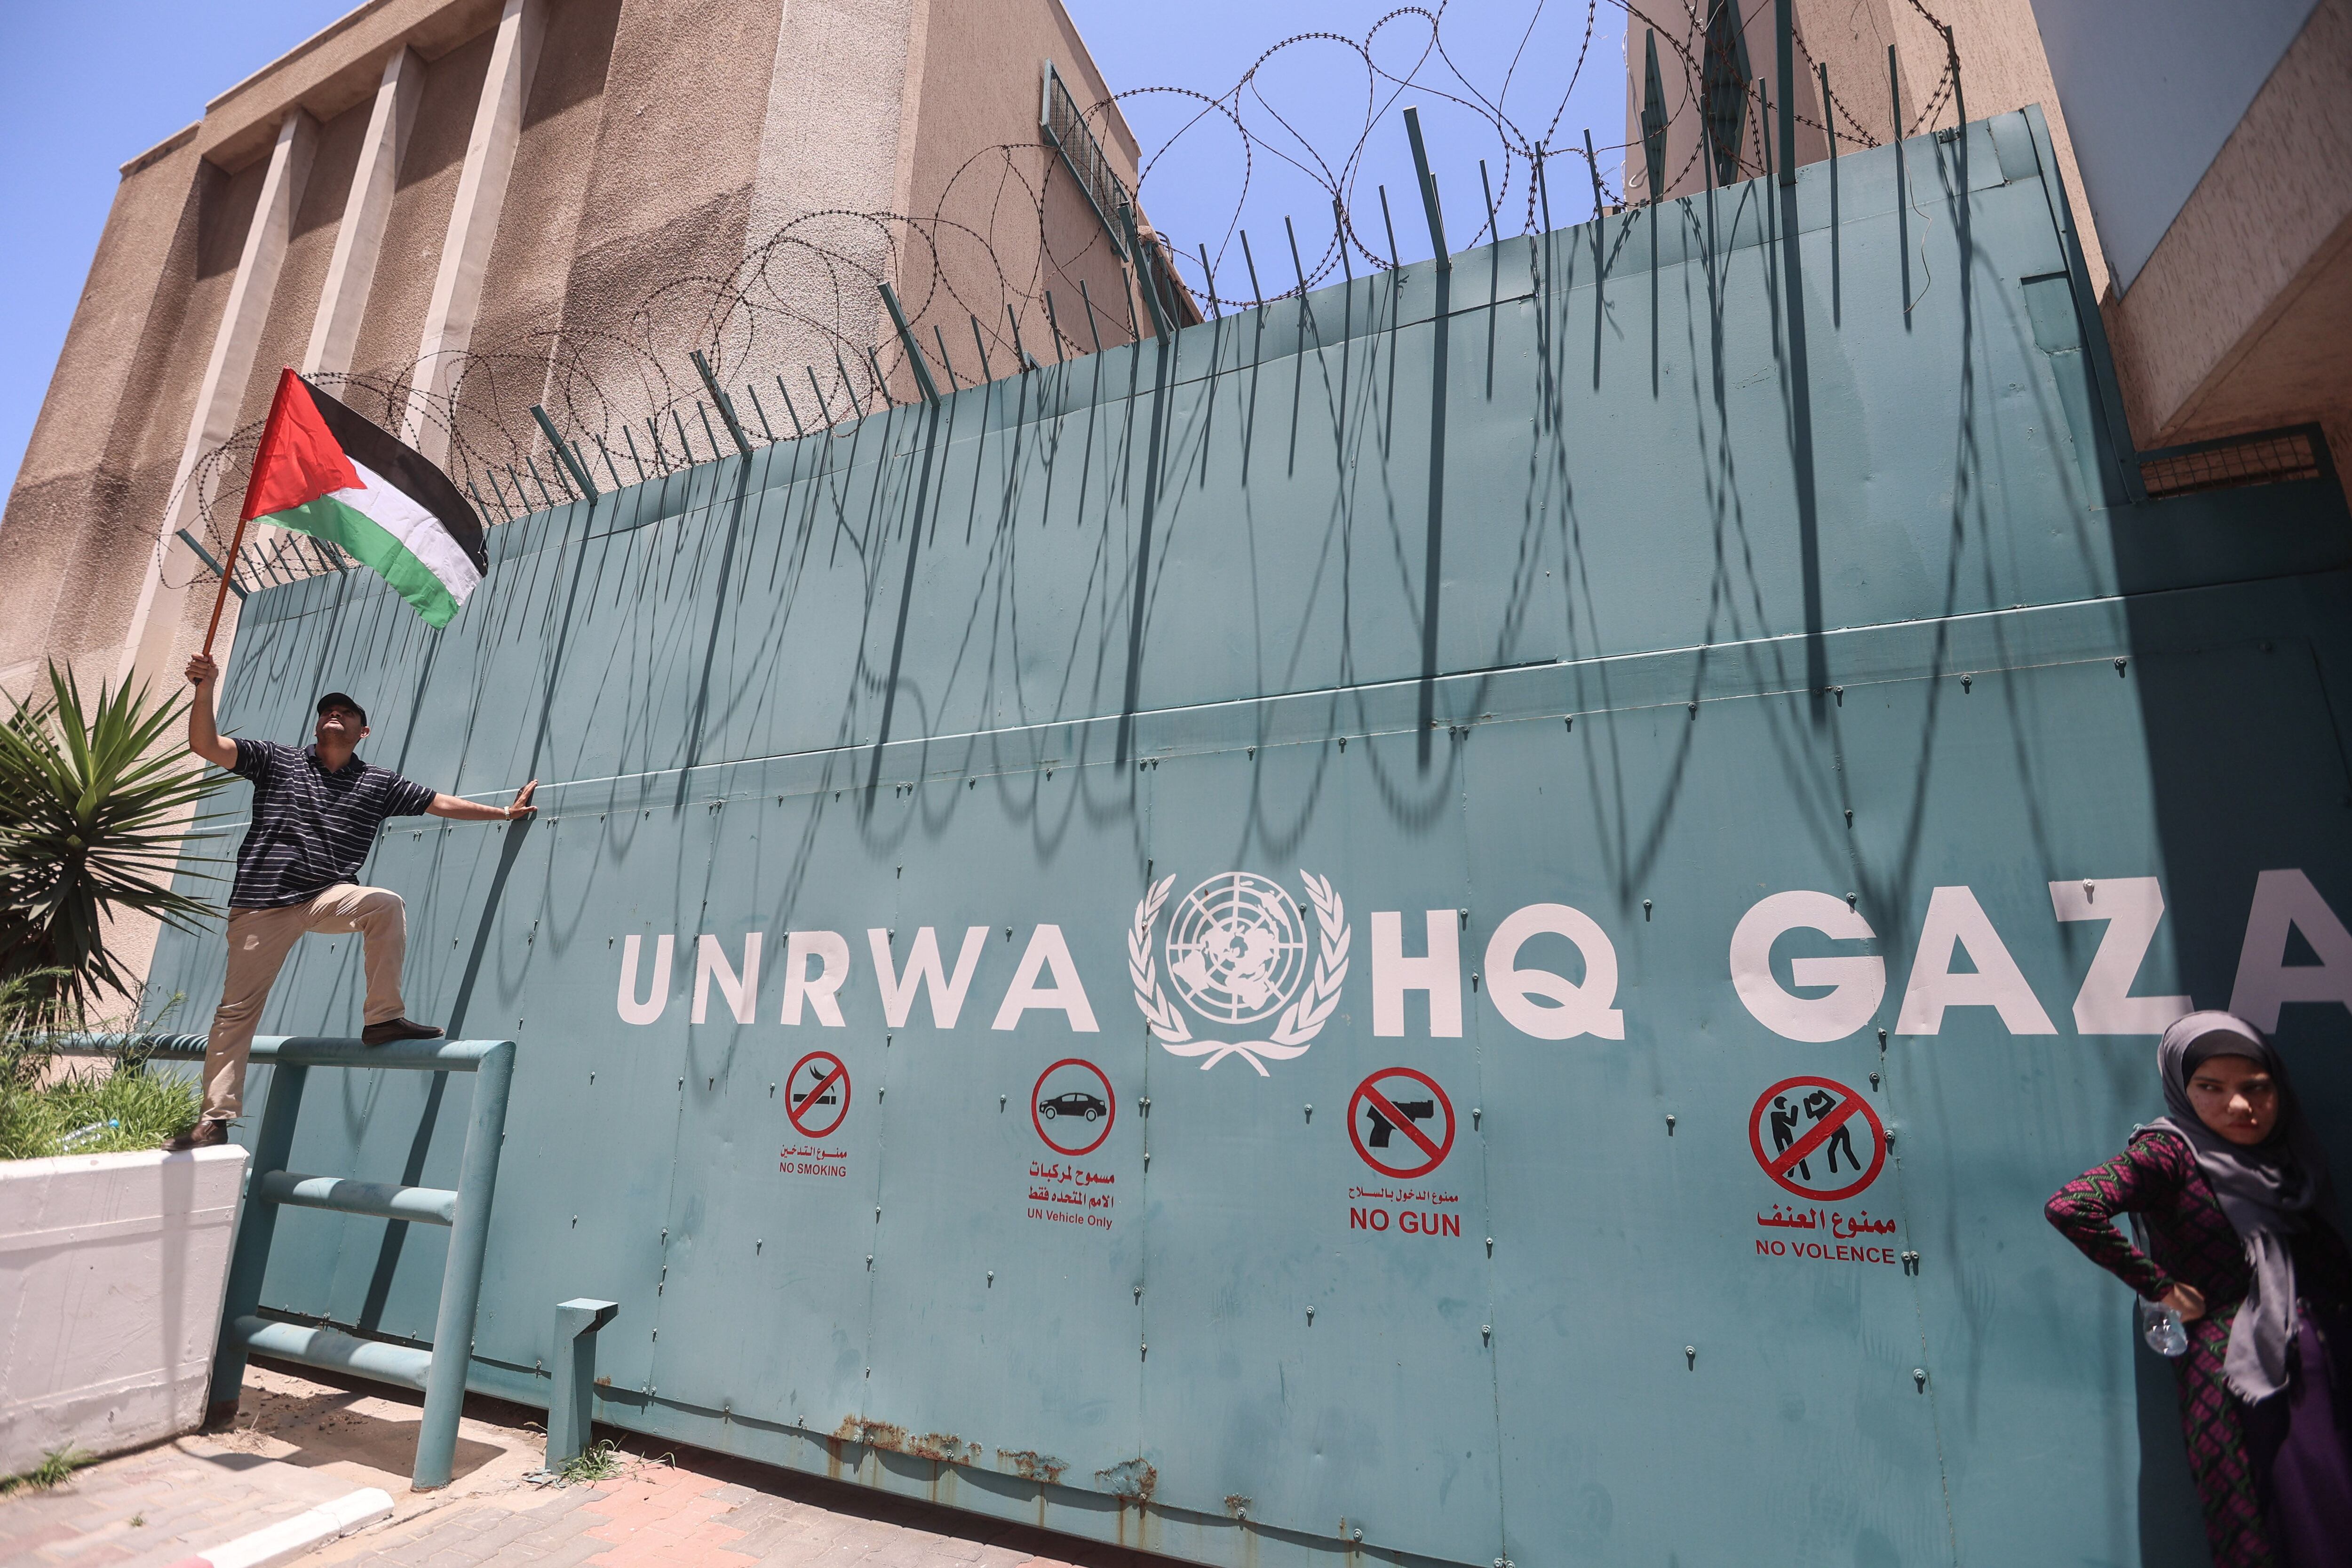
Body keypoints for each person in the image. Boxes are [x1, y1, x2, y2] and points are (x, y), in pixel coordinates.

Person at [164, 652, 537, 1151]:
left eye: (345, 712)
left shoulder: (376, 783)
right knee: (236, 1013)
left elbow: (439, 803)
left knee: (383, 903)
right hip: (262, 903)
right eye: (327, 711)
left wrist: (502, 813)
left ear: (363, 731)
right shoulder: (276, 761)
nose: (333, 715)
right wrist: (205, 688)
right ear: (318, 725)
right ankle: (215, 1120)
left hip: (325, 896)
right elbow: (206, 745)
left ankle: (382, 1019)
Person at [2046, 1011, 2352, 1567]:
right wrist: (2157, 1285)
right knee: (2257, 1522)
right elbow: (2071, 1207)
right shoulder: (2169, 1154)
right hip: (2237, 1378)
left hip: (2322, 1365)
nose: (2239, 1107)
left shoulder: (2287, 1157)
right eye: (2210, 1088)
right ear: (2181, 1089)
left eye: (2255, 1089)